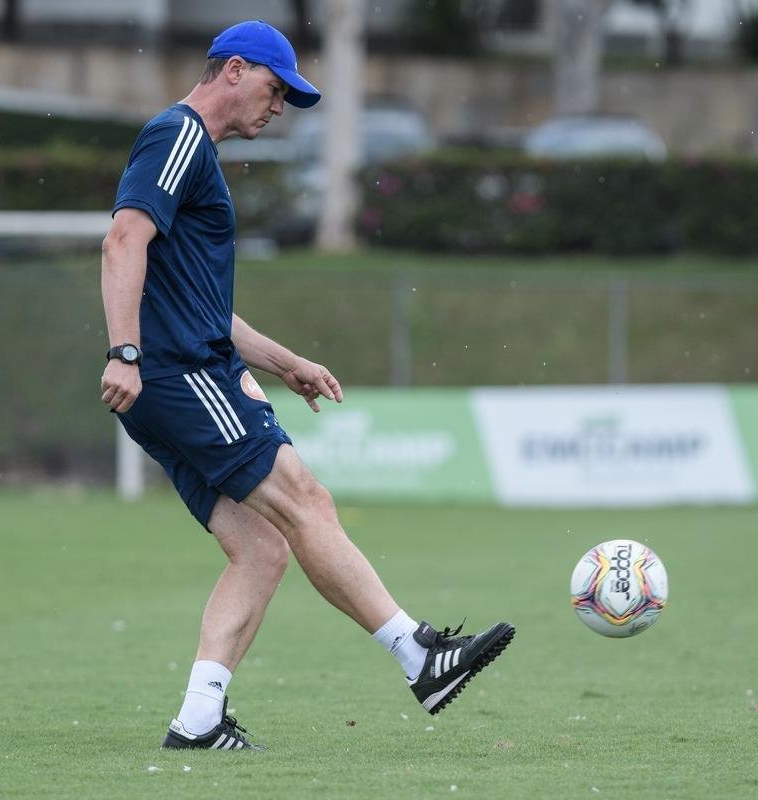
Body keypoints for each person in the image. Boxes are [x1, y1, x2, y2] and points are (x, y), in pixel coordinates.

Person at [100, 19, 514, 751]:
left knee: (263, 548)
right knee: (307, 500)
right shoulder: (179, 138)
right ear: (233, 70)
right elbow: (123, 238)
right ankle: (419, 656)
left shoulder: (196, 153)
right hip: (179, 375)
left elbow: (197, 302)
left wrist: (282, 361)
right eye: (276, 87)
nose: (280, 107)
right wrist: (125, 351)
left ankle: (198, 720)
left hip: (181, 374)